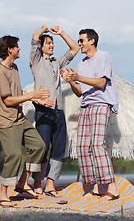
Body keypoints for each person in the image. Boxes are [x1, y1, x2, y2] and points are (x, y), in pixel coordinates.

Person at [0, 35, 54, 207]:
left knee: (39, 146)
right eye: (17, 46)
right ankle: (3, 195)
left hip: (19, 119)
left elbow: (18, 96)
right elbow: (8, 100)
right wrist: (32, 95)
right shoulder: (0, 72)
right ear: (9, 49)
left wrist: (36, 100)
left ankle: (22, 182)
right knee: (14, 155)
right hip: (6, 121)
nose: (19, 48)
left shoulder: (15, 68)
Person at [60, 28, 120, 201]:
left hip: (102, 104)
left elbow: (101, 83)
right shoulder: (82, 64)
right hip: (86, 106)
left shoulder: (103, 56)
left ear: (91, 41)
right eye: (78, 41)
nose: (79, 44)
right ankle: (95, 188)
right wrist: (72, 81)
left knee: (97, 145)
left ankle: (112, 188)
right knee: (82, 148)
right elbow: (80, 92)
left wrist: (78, 76)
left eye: (81, 41)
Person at [30, 25, 79, 197]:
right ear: (41, 46)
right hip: (43, 110)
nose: (51, 45)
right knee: (41, 148)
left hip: (59, 111)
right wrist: (44, 29)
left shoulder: (57, 63)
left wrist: (61, 33)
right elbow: (36, 35)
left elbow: (75, 48)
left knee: (58, 149)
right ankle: (37, 184)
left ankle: (50, 184)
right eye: (49, 43)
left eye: (52, 43)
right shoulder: (35, 60)